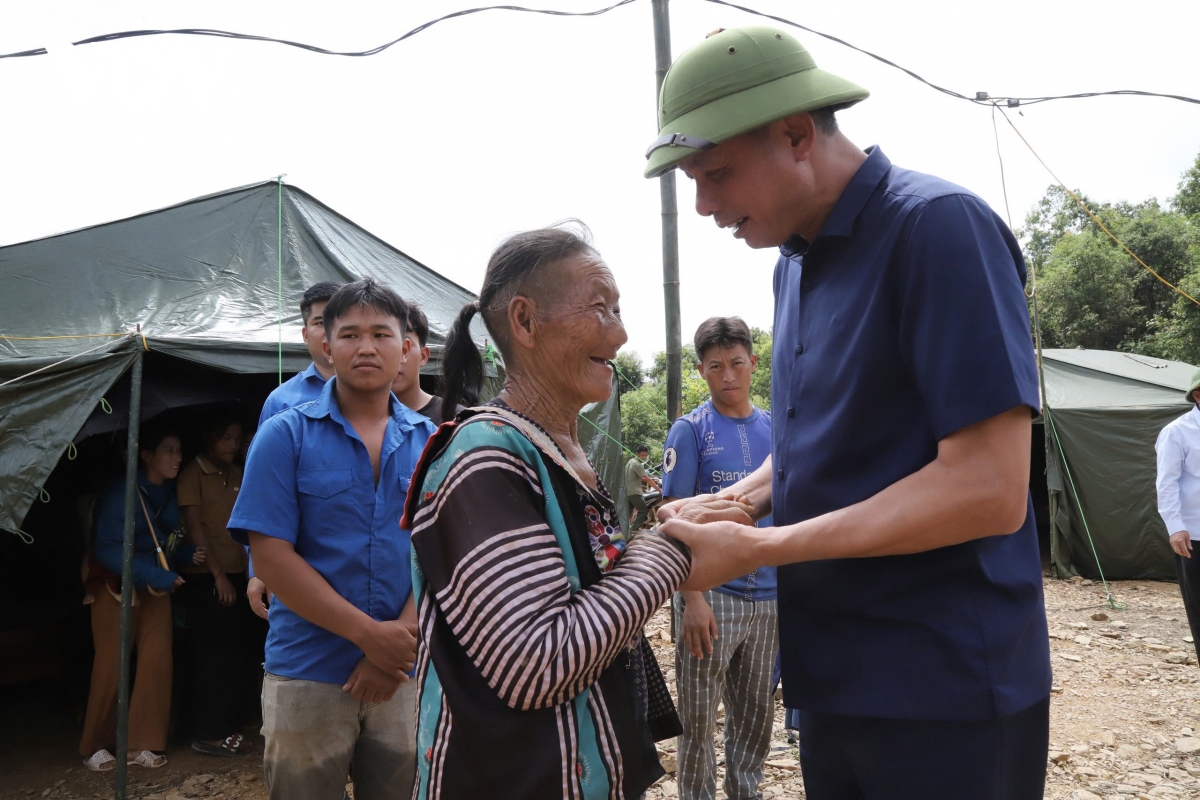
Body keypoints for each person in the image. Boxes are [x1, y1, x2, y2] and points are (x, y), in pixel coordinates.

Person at [646, 26, 1051, 799]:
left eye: (716, 172)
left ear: (797, 134)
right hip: (835, 676)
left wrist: (760, 550)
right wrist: (743, 499)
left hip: (945, 688)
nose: (702, 205)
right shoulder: (793, 266)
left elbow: (989, 487)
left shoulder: (936, 229)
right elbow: (817, 440)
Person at [405, 224, 750, 799]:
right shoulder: (484, 459)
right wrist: (670, 552)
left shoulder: (562, 450)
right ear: (524, 321)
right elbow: (536, 663)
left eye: (618, 310)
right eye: (600, 308)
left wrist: (663, 533)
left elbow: (589, 598)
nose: (620, 333)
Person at [228, 278, 435, 800]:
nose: (366, 347)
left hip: (405, 671)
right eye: (350, 334)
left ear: (405, 347)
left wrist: (395, 645)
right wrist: (370, 636)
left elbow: (444, 553)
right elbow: (271, 558)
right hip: (307, 670)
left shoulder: (434, 443)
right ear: (326, 345)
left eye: (382, 334)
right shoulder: (284, 434)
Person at [662, 316, 776, 800]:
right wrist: (693, 600)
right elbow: (674, 521)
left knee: (755, 719)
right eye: (715, 367)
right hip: (713, 597)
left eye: (735, 363)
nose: (728, 375)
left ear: (753, 362)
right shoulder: (689, 431)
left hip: (770, 597)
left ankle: (744, 793)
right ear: (701, 372)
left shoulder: (778, 428)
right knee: (698, 721)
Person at [80, 427, 202, 772]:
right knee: (112, 663)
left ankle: (142, 744)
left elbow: (163, 544)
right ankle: (95, 745)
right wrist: (157, 574)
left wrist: (187, 555)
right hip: (115, 587)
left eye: (179, 449)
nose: (177, 457)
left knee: (157, 660)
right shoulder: (121, 493)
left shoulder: (169, 491)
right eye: (168, 449)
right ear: (146, 455)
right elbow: (106, 549)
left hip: (154, 587)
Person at [247, 281, 341, 619]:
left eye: (338, 320)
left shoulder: (382, 396)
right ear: (305, 334)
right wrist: (257, 569)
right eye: (320, 322)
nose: (329, 331)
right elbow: (262, 497)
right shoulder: (281, 402)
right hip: (292, 564)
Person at [177, 415, 257, 758]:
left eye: (237, 439)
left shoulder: (236, 472)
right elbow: (196, 529)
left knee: (237, 652)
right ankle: (210, 733)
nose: (232, 445)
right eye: (225, 437)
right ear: (209, 437)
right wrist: (217, 575)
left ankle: (233, 721)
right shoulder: (192, 474)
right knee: (213, 657)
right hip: (207, 578)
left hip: (239, 573)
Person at [1155, 369, 1200, 664]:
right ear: (1198, 395)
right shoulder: (1177, 431)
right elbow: (1166, 483)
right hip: (1194, 535)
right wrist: (1175, 527)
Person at [390, 304, 461, 425]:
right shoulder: (355, 418)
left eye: (405, 346)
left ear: (423, 356)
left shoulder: (455, 418)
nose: (396, 355)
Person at [624, 444, 660, 530]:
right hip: (634, 492)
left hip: (627, 491)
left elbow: (640, 477)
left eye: (646, 456)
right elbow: (648, 480)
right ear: (637, 454)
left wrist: (650, 480)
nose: (644, 458)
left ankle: (624, 529)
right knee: (643, 510)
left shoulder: (631, 461)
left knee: (627, 513)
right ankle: (634, 529)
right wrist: (659, 489)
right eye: (642, 455)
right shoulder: (638, 465)